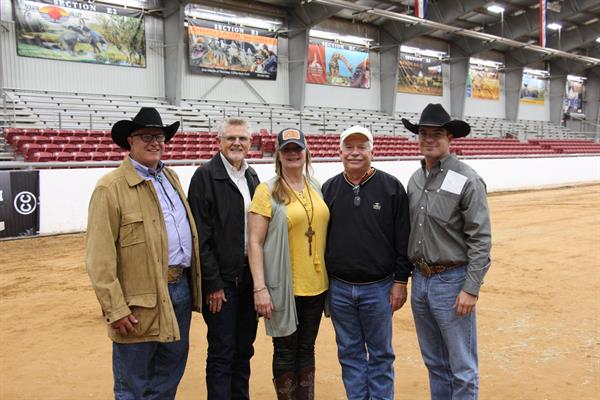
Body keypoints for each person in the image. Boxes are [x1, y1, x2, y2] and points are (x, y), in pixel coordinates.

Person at [85, 107, 202, 399]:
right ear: (130, 142)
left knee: (169, 372)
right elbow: (99, 258)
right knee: (133, 382)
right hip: (137, 300)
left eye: (161, 137)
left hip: (179, 289)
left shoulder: (171, 177)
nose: (156, 143)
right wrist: (115, 308)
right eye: (147, 136)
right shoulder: (110, 188)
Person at [401, 103, 492, 400]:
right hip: (421, 280)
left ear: (449, 137)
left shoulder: (468, 179)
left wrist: (471, 288)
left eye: (436, 133)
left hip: (452, 281)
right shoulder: (415, 180)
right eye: (423, 133)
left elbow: (480, 238)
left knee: (462, 366)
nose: (428, 138)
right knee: (435, 362)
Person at [322, 125, 412, 400]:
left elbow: (403, 238)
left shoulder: (391, 187)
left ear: (373, 151)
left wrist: (400, 280)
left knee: (381, 354)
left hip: (379, 288)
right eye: (349, 147)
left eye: (362, 147)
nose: (355, 152)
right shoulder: (329, 189)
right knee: (349, 353)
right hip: (339, 290)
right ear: (340, 152)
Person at [248, 128, 329, 399]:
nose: (293, 154)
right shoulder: (266, 190)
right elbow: (255, 242)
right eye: (287, 149)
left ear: (306, 152)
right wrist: (260, 288)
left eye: (297, 148)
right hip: (284, 286)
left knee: (307, 348)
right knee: (284, 350)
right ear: (279, 155)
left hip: (316, 285)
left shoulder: (315, 186)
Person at [188, 118, 260, 400]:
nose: (237, 144)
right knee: (222, 351)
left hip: (247, 278)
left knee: (244, 349)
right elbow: (200, 237)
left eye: (242, 139)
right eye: (231, 138)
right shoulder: (205, 176)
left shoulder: (252, 177)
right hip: (222, 283)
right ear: (219, 142)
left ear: (250, 144)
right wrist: (212, 283)